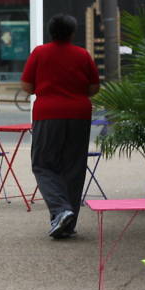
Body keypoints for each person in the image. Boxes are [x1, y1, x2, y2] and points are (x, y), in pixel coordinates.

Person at [20, 13, 100, 239]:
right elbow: (94, 88)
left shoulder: (40, 53)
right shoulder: (83, 55)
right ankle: (68, 222)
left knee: (43, 164)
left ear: (50, 31)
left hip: (48, 113)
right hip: (79, 114)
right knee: (74, 166)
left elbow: (26, 86)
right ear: (73, 33)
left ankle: (60, 210)